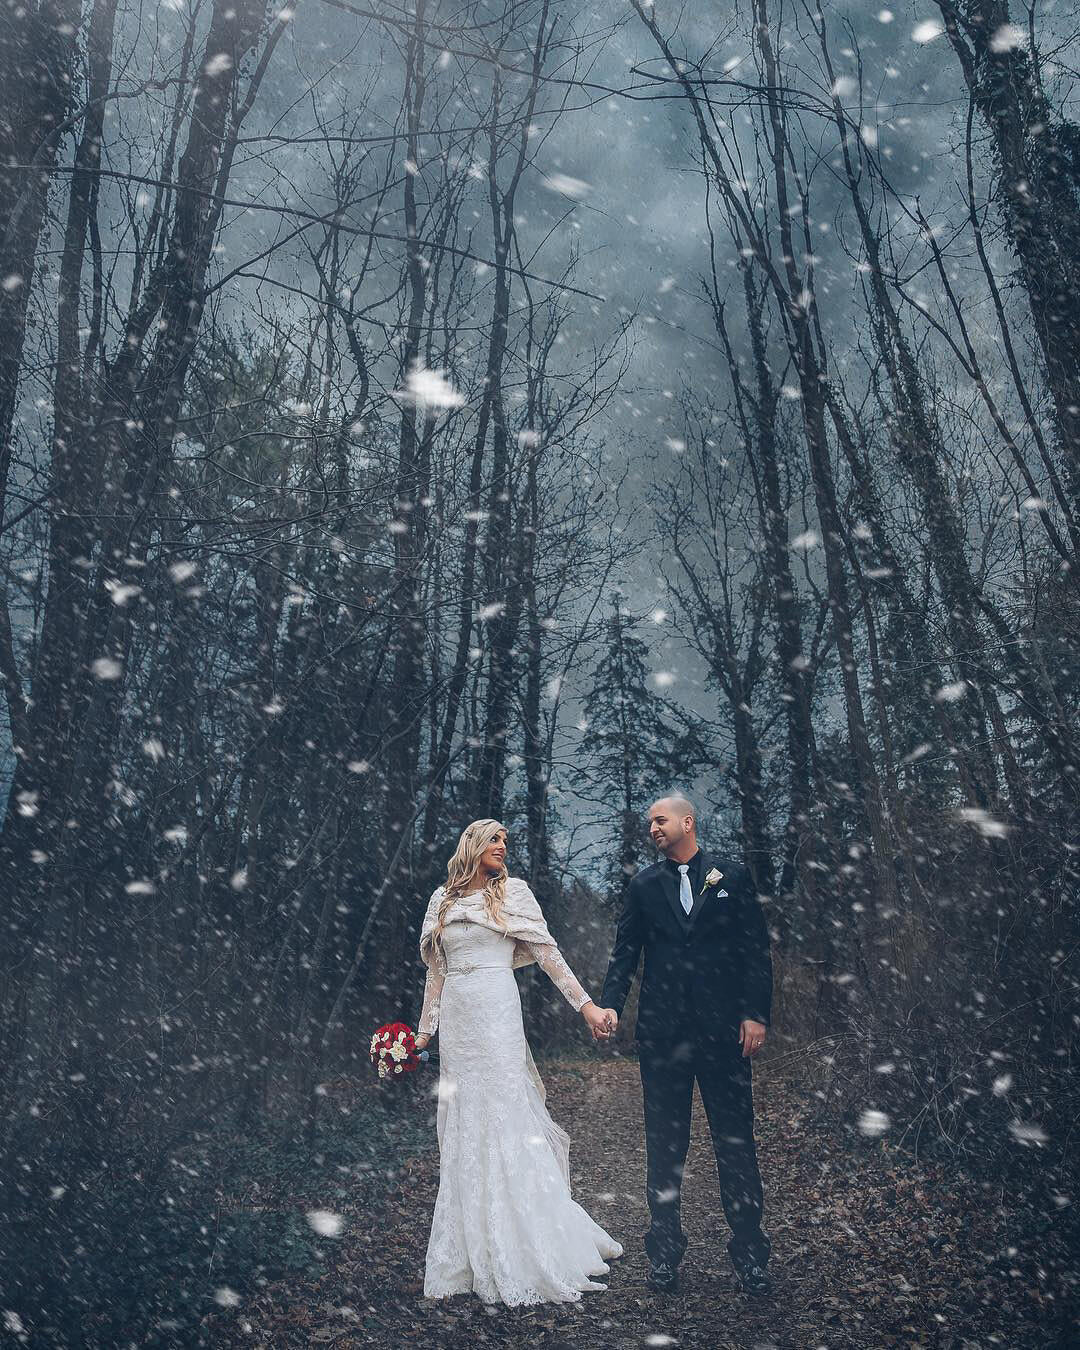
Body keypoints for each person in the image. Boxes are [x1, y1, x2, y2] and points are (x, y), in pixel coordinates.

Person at [415, 818, 623, 1306]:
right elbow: (436, 975)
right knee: (465, 1120)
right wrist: (423, 1034)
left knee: (506, 1112)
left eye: (506, 841)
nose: (503, 847)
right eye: (494, 839)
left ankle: (527, 1239)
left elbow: (549, 956)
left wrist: (587, 1006)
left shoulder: (515, 894)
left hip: (496, 1010)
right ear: (472, 844)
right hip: (460, 1025)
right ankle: (469, 1247)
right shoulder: (440, 900)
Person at [597, 795, 773, 1296]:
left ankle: (750, 1255)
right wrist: (611, 1004)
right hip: (662, 1036)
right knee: (665, 1148)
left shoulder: (731, 877)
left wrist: (755, 1013)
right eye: (649, 822)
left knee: (736, 1145)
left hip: (725, 1036)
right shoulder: (643, 887)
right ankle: (665, 1253)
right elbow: (625, 953)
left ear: (687, 822)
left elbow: (755, 950)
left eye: (660, 819)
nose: (652, 827)